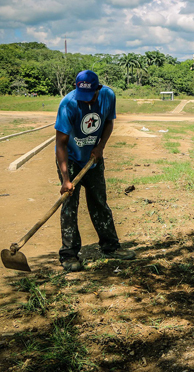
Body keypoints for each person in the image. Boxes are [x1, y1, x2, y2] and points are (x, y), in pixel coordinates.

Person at [54, 70, 135, 272]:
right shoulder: (69, 104)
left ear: (97, 89)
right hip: (71, 160)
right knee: (69, 206)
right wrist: (66, 179)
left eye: (89, 96)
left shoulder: (108, 96)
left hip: (93, 160)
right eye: (82, 96)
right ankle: (69, 255)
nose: (86, 101)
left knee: (99, 202)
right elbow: (61, 145)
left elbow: (108, 122)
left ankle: (110, 247)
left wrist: (100, 146)